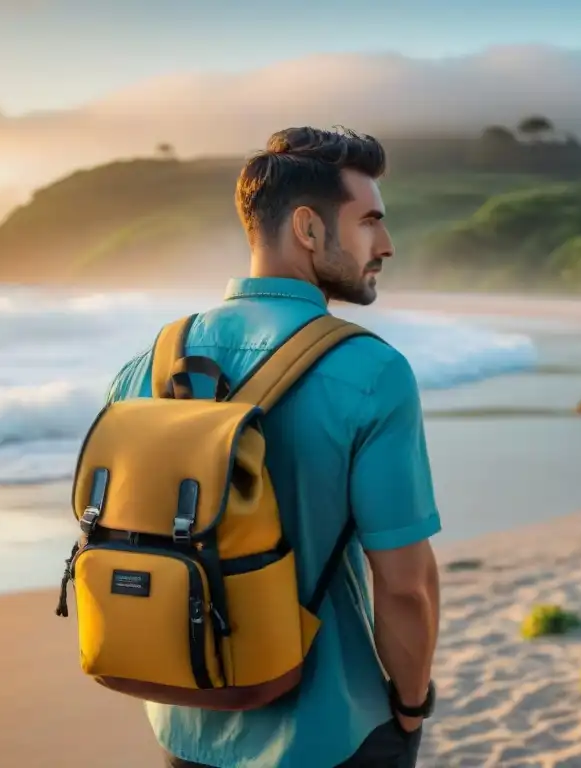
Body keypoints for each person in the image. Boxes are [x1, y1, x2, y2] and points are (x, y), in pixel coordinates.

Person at [104, 126, 443, 768]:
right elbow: (405, 587)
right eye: (370, 222)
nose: (387, 246)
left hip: (183, 723)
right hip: (329, 730)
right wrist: (411, 702)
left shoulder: (151, 360)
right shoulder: (371, 371)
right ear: (310, 230)